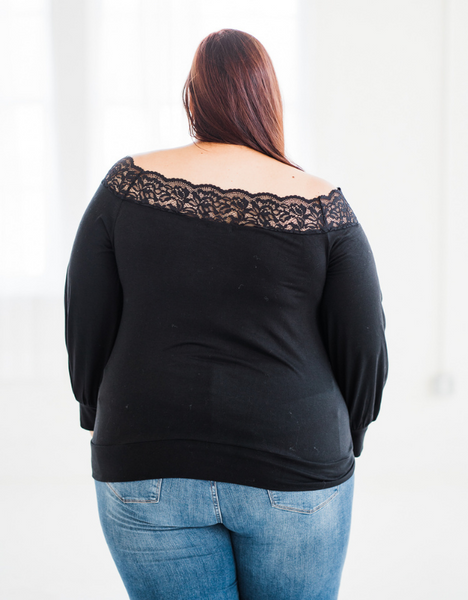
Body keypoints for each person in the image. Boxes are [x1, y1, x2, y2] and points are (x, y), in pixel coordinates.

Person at [64, 29, 388, 600]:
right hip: (297, 465)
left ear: (192, 98)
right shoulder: (321, 206)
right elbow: (364, 350)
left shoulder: (126, 185)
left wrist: (98, 412)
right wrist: (348, 436)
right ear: (269, 101)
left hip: (145, 455)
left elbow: (85, 322)